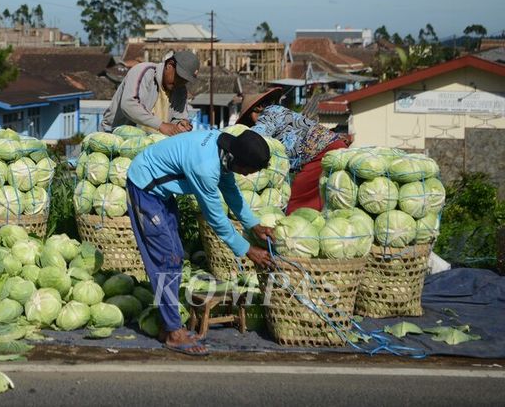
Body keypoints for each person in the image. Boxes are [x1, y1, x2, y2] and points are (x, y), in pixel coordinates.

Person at [126, 128, 275, 356]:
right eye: (248, 170)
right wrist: (247, 249)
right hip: (145, 189)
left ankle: (168, 326)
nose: (246, 175)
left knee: (175, 257)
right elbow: (215, 218)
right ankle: (174, 332)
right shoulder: (205, 168)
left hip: (161, 194)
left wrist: (253, 225)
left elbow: (231, 191)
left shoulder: (223, 148)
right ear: (237, 160)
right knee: (167, 259)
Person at [237, 87, 348, 214]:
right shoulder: (281, 111)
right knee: (320, 197)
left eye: (249, 119)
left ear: (257, 108)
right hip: (329, 149)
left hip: (321, 154)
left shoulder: (269, 113)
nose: (251, 124)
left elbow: (256, 138)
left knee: (297, 201)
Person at [100, 50, 200, 136]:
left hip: (149, 145)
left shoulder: (180, 90)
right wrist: (160, 125)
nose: (180, 83)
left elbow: (178, 118)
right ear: (169, 65)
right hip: (115, 136)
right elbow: (129, 104)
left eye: (185, 80)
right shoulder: (144, 72)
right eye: (179, 77)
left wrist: (180, 124)